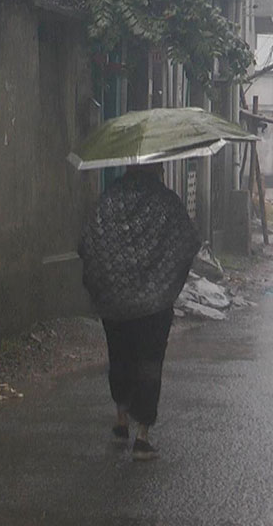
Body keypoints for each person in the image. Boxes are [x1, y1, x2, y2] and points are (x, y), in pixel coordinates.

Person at [78, 163, 200, 461]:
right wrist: (166, 278)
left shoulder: (109, 199)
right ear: (157, 170)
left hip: (114, 301)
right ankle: (142, 437)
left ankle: (121, 419)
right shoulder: (166, 202)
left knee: (119, 355)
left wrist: (103, 282)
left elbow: (86, 243)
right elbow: (189, 242)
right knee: (149, 362)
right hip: (153, 303)